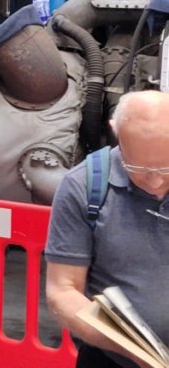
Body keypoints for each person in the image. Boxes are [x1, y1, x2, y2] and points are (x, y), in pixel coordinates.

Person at [45, 90, 169, 368]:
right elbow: (62, 291)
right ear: (116, 133)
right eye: (138, 167)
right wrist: (130, 347)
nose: (156, 182)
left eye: (167, 166)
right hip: (112, 360)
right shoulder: (84, 187)